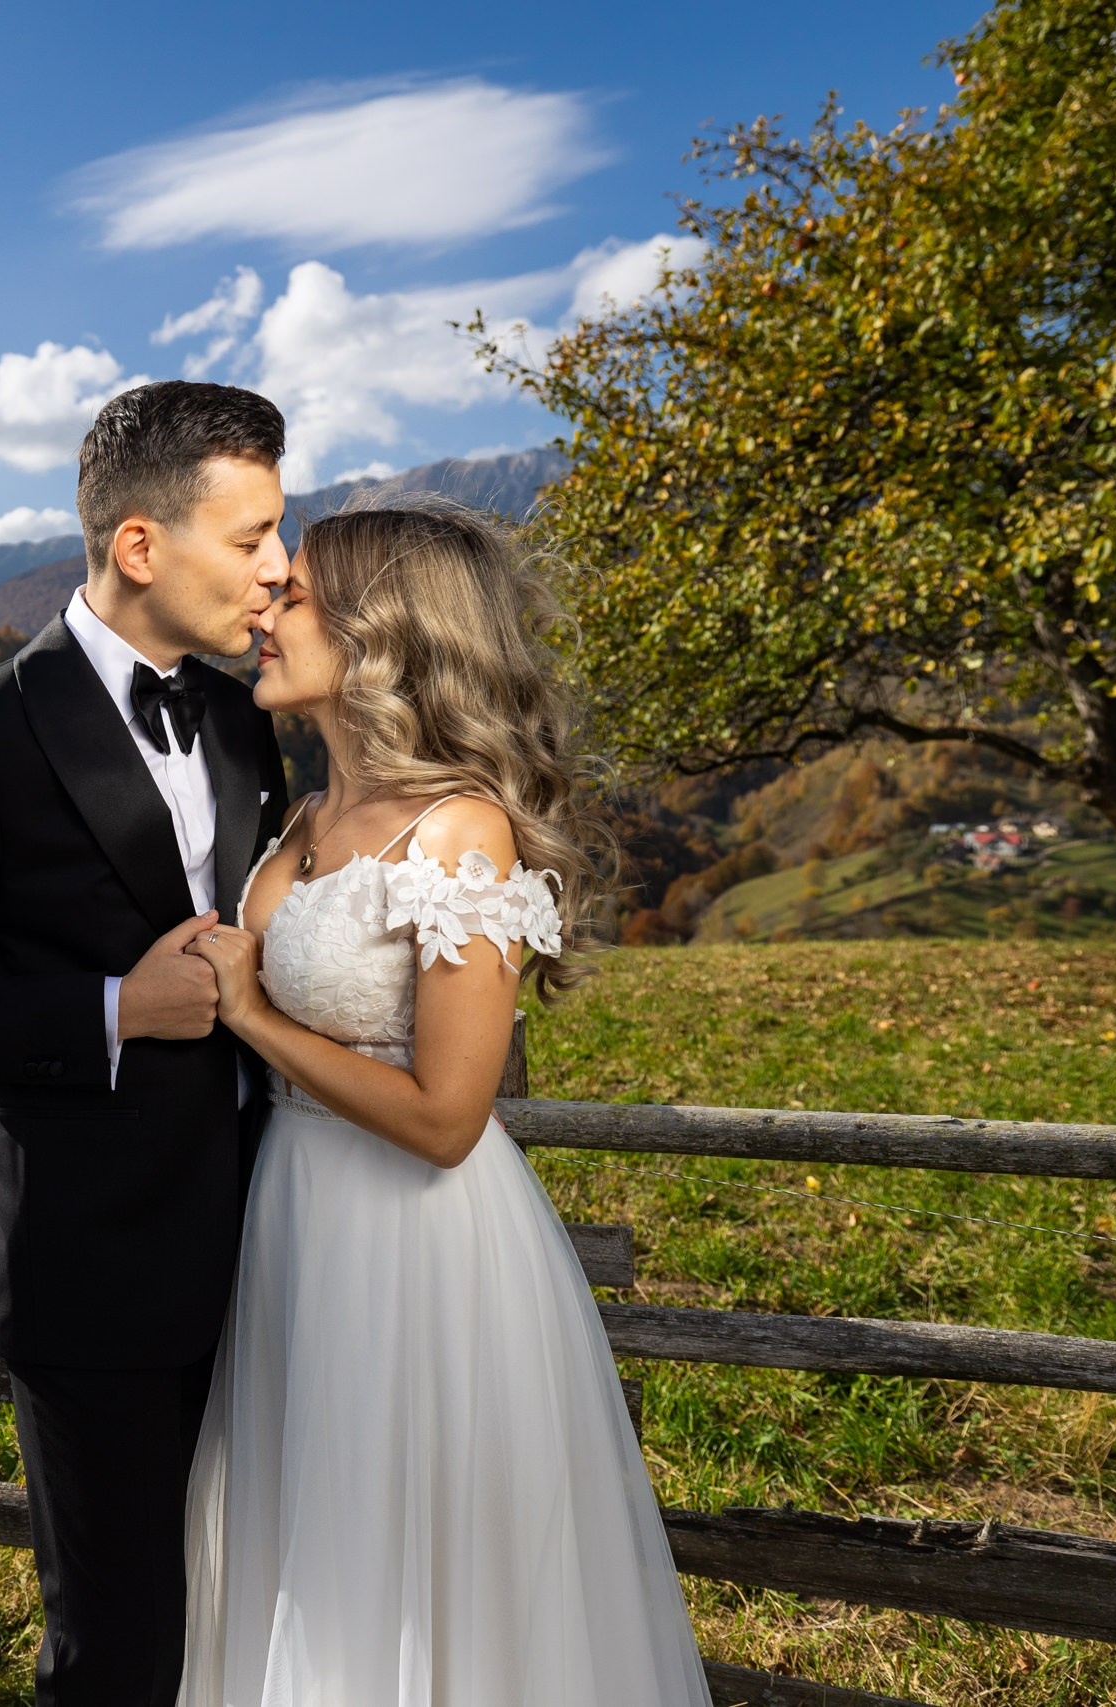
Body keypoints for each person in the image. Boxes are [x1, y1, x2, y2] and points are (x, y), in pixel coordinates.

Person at [176, 499, 710, 1704]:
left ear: (381, 634)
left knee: (399, 1557)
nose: (264, 606)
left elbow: (446, 1116)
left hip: (411, 1245)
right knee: (300, 1531)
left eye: (295, 592)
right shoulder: (297, 818)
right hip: (289, 1222)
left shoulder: (457, 827)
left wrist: (251, 1013)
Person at [0, 379, 294, 1706]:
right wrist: (116, 1006)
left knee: (238, 1593)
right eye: (252, 535)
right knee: (116, 1645)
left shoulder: (237, 714)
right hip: (91, 1263)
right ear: (141, 544)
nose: (280, 567)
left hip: (270, 1232)